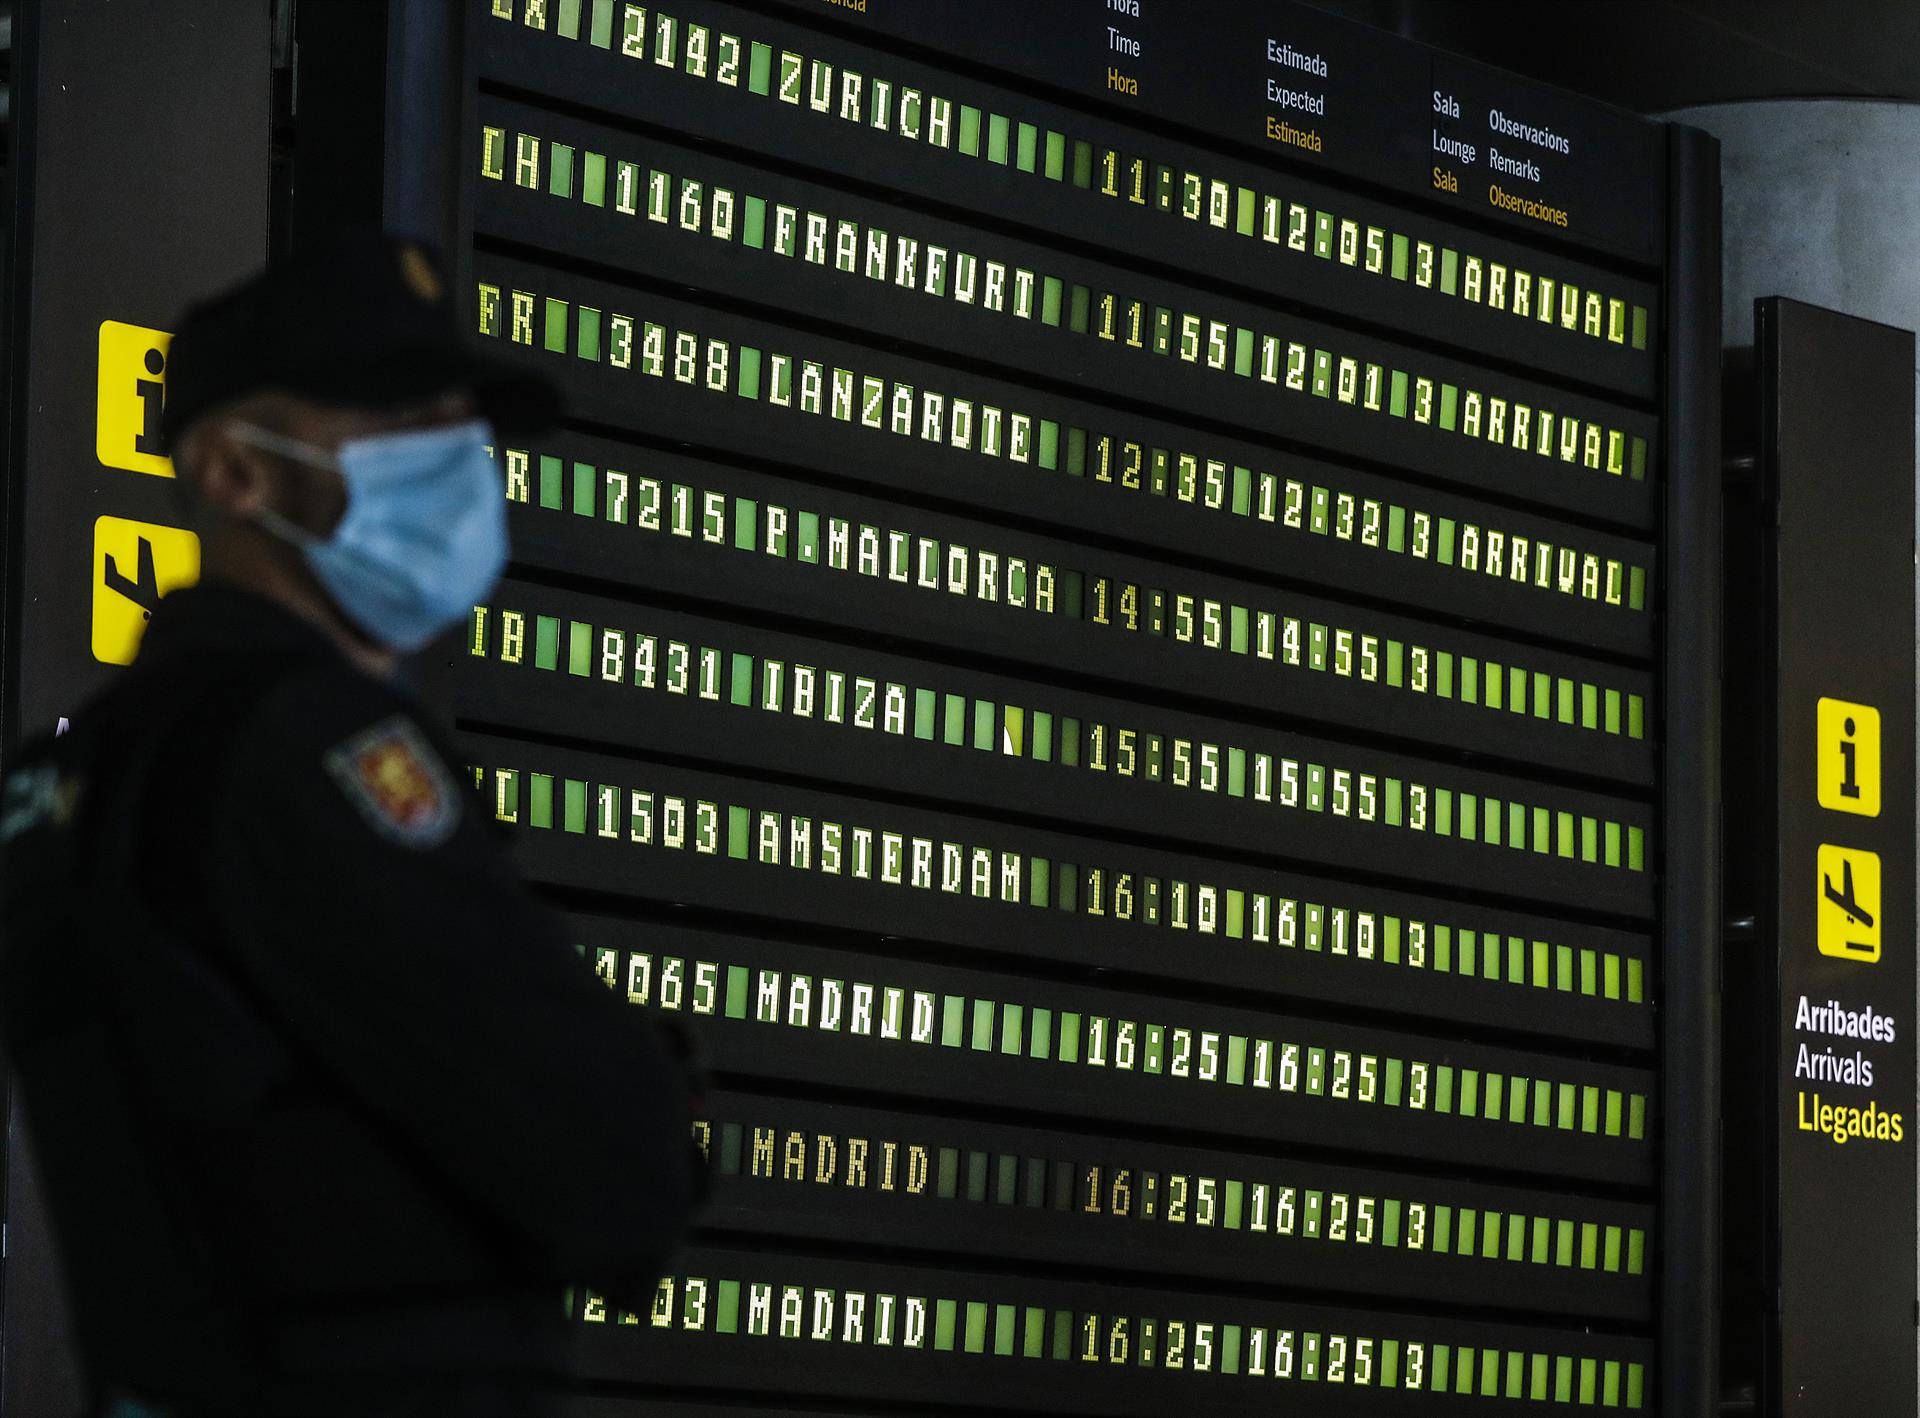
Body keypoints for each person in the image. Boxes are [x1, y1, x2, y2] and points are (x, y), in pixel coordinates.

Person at [0, 233, 703, 1417]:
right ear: (235, 472)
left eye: (459, 416)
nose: (455, 456)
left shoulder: (72, 774)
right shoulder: (298, 744)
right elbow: (607, 1158)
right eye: (394, 417)